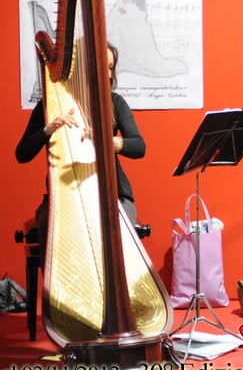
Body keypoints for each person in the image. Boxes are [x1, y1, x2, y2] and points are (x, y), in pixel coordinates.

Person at [16, 43, 146, 255]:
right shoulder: (50, 105)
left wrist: (107, 141)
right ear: (83, 68)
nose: (109, 74)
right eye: (104, 67)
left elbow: (139, 147)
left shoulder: (115, 102)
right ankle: (56, 279)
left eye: (111, 68)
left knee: (113, 230)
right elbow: (22, 154)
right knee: (49, 227)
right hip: (64, 197)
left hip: (114, 196)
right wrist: (48, 129)